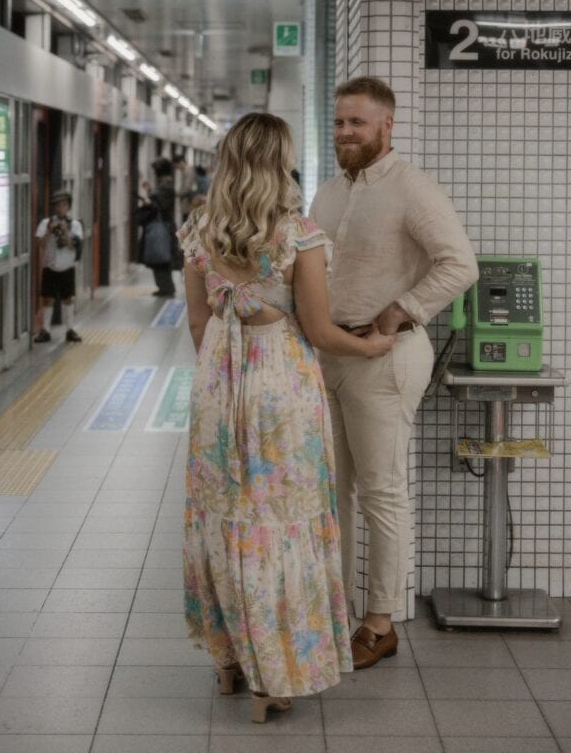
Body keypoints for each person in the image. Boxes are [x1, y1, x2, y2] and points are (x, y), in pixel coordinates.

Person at [178, 112, 395, 723]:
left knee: (226, 514)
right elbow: (321, 330)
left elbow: (198, 323)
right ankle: (272, 678)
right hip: (282, 384)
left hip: (219, 378)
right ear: (279, 161)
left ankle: (228, 661)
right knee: (280, 519)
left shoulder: (199, 230)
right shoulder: (299, 233)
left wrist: (225, 378)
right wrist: (372, 347)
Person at [310, 76, 478, 669]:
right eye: (338, 122)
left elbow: (461, 263)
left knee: (382, 490)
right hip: (330, 353)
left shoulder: (413, 188)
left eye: (357, 122)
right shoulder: (328, 193)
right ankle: (335, 611)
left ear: (388, 125)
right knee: (333, 490)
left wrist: (402, 309)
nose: (345, 132)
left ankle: (379, 622)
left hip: (386, 355)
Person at [33, 189, 83, 343]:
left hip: (67, 268)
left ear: (68, 207)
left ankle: (70, 329)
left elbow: (73, 246)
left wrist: (65, 230)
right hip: (50, 267)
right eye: (57, 205)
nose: (60, 208)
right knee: (48, 298)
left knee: (68, 299)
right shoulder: (45, 223)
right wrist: (50, 231)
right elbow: (39, 244)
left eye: (64, 205)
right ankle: (45, 330)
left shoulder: (75, 225)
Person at [140, 156, 180, 297]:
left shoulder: (165, 186)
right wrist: (150, 192)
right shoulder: (166, 185)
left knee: (161, 256)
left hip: (163, 226)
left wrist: (148, 202)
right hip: (165, 225)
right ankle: (165, 287)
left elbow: (160, 206)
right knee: (161, 257)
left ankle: (166, 287)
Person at [173, 153, 197, 223]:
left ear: (181, 162)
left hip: (189, 201)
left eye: (176, 165)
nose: (177, 168)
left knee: (187, 222)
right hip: (188, 201)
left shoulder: (188, 171)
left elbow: (187, 187)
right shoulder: (187, 170)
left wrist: (177, 194)